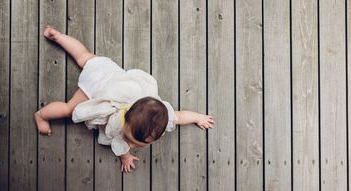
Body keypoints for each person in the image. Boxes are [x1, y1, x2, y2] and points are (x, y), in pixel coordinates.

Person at [34, 26, 215, 173]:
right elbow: (119, 144)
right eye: (129, 140)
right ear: (125, 117)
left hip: (109, 73)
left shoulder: (158, 114)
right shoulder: (116, 124)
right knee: (68, 110)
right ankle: (42, 115)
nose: (130, 143)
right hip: (96, 89)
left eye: (136, 143)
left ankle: (59, 36)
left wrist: (198, 117)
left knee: (84, 57)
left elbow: (181, 116)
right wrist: (125, 156)